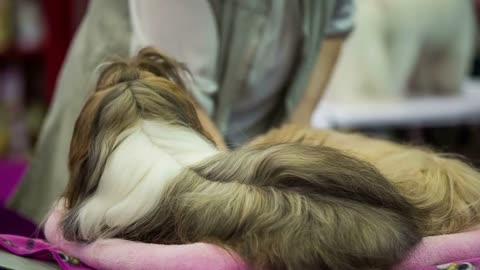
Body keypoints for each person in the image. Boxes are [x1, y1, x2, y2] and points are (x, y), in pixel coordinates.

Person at [9, 0, 354, 223]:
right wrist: (239, 195)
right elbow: (187, 93)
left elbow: (335, 23)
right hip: (157, 125)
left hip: (235, 144)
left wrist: (294, 136)